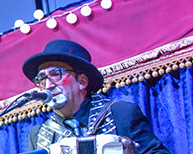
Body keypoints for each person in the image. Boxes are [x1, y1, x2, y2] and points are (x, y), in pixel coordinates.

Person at [23, 39, 170, 153]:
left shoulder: (121, 114)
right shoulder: (38, 135)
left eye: (56, 74)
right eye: (42, 78)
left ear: (82, 81)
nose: (48, 85)